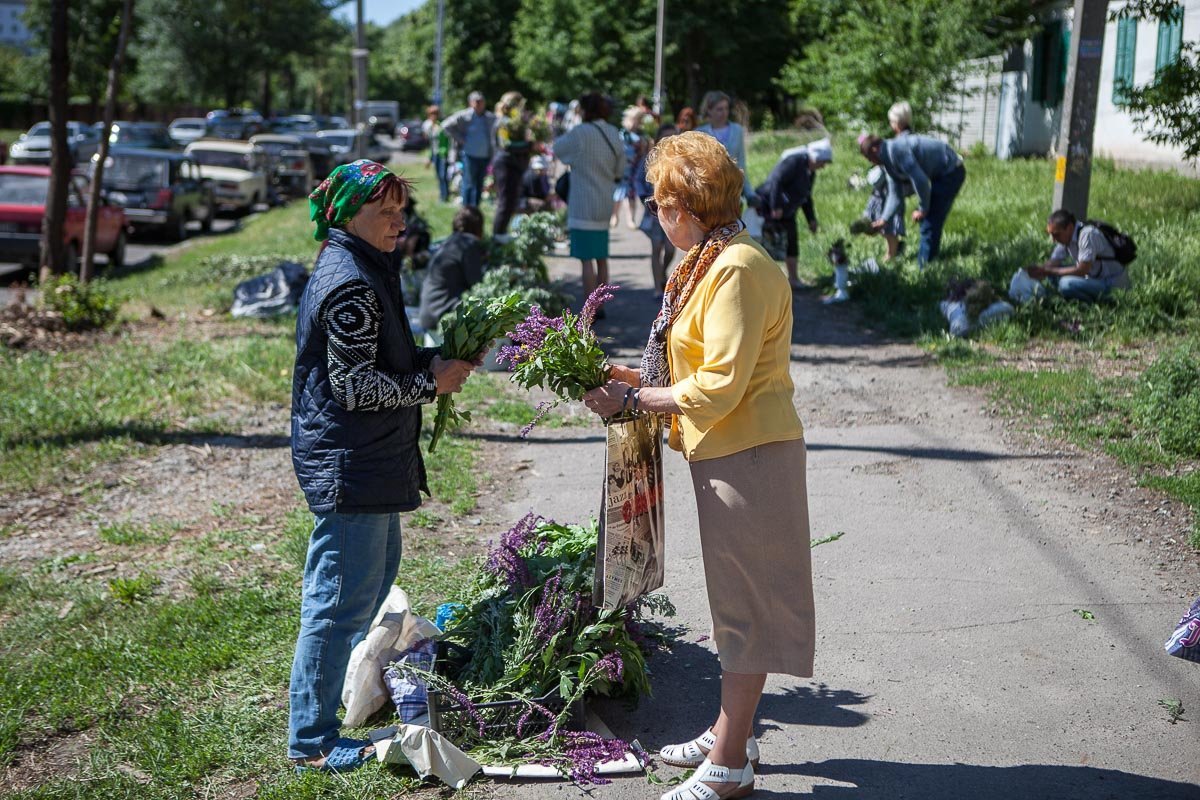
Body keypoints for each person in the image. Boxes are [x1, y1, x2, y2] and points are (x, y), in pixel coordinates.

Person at [582, 132, 814, 800]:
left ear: (689, 205)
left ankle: (731, 763)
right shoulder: (708, 262)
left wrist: (633, 396)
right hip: (727, 449)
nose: (656, 213)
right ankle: (725, 735)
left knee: (746, 613)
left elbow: (720, 385)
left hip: (750, 453)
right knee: (734, 608)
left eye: (660, 202)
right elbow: (691, 367)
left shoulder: (736, 267)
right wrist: (622, 375)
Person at [288, 160, 480, 773]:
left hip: (368, 459)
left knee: (367, 585)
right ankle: (311, 743)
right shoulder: (350, 282)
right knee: (338, 600)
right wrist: (429, 381)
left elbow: (379, 359)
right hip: (351, 461)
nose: (401, 221)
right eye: (386, 211)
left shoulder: (369, 265)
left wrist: (430, 359)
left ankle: (335, 708)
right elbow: (354, 387)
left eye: (402, 209)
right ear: (348, 215)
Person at [553, 91, 625, 300]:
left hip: (582, 204)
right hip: (604, 202)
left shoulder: (579, 133)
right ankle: (601, 303)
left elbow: (558, 149)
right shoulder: (613, 132)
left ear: (583, 110)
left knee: (586, 260)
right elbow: (620, 169)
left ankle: (590, 309)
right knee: (602, 258)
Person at [859, 132, 965, 268]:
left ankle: (925, 269)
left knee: (930, 221)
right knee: (929, 221)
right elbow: (895, 195)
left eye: (869, 158)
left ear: (874, 150)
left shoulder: (897, 150)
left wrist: (923, 209)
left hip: (951, 171)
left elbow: (920, 181)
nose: (870, 162)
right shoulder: (888, 160)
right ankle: (927, 264)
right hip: (940, 173)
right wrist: (884, 220)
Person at [754, 137, 833, 290]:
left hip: (788, 210)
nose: (823, 166)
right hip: (769, 206)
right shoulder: (794, 162)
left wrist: (811, 219)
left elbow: (806, 196)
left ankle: (793, 279)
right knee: (769, 242)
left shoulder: (810, 172)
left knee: (792, 241)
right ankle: (763, 281)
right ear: (816, 157)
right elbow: (776, 180)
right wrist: (775, 206)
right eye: (823, 162)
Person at [1027, 208, 1131, 301]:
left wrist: (1048, 271)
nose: (1053, 240)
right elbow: (1054, 261)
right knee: (1051, 275)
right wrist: (1038, 271)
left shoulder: (1087, 235)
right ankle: (1070, 296)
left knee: (1066, 284)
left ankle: (1096, 303)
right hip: (1092, 279)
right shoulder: (1066, 237)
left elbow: (1082, 270)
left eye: (1056, 235)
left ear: (1069, 227)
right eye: (1051, 235)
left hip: (1112, 285)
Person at [418, 205, 486, 332]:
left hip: (428, 313)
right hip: (444, 315)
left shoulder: (450, 242)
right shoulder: (469, 244)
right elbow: (477, 285)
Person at [634, 124, 679, 297]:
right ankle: (657, 288)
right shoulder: (651, 158)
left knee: (670, 249)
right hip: (654, 211)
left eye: (673, 137)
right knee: (656, 248)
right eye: (665, 137)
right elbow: (638, 180)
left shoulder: (679, 159)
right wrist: (646, 199)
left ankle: (662, 274)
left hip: (674, 212)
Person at [491, 91, 539, 239]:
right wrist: (529, 145)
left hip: (513, 165)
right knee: (505, 201)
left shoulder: (512, 122)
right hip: (505, 164)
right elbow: (506, 144)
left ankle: (502, 231)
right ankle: (498, 235)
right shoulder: (503, 122)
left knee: (511, 201)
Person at [695, 91, 754, 202]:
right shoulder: (700, 133)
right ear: (709, 110)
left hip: (733, 191)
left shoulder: (737, 130)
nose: (724, 113)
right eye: (719, 109)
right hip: (710, 192)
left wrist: (749, 193)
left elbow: (741, 163)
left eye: (726, 108)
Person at [443, 91, 495, 207]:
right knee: (469, 182)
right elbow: (445, 125)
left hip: (485, 156)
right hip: (470, 155)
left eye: (481, 101)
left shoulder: (489, 117)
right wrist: (460, 139)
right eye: (476, 101)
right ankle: (466, 207)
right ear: (471, 103)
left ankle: (475, 207)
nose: (479, 104)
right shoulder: (464, 116)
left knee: (479, 183)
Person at [612, 106, 646, 230]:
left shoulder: (641, 135)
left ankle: (631, 218)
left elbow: (643, 150)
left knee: (631, 195)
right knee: (618, 194)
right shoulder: (622, 134)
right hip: (622, 167)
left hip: (634, 168)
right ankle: (614, 216)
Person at [422, 105, 451, 202]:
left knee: (443, 175)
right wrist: (429, 157)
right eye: (431, 114)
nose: (433, 116)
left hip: (443, 154)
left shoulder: (441, 126)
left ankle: (445, 196)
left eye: (435, 114)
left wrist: (446, 153)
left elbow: (447, 142)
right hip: (435, 154)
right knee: (439, 176)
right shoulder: (430, 127)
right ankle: (442, 195)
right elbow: (431, 144)